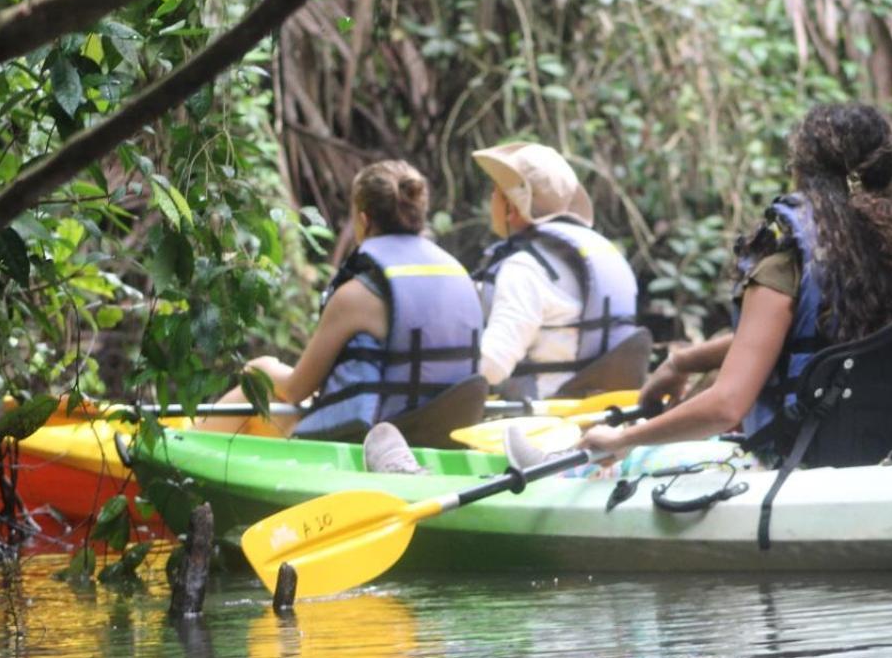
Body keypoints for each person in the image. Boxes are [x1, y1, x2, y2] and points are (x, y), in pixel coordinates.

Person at [582, 103, 892, 463]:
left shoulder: (787, 260)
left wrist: (622, 439)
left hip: (803, 463)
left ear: (801, 172)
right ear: (890, 175)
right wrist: (682, 362)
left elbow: (726, 405)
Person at [223, 160, 484, 443]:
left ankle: (187, 461)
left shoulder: (357, 295)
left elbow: (296, 389)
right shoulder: (460, 275)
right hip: (446, 436)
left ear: (363, 220)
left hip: (374, 441)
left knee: (255, 384)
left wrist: (260, 368)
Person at [470, 142, 640, 401]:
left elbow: (493, 366)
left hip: (542, 420)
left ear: (512, 208)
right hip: (599, 412)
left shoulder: (525, 268)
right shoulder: (597, 256)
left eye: (496, 192)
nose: (491, 199)